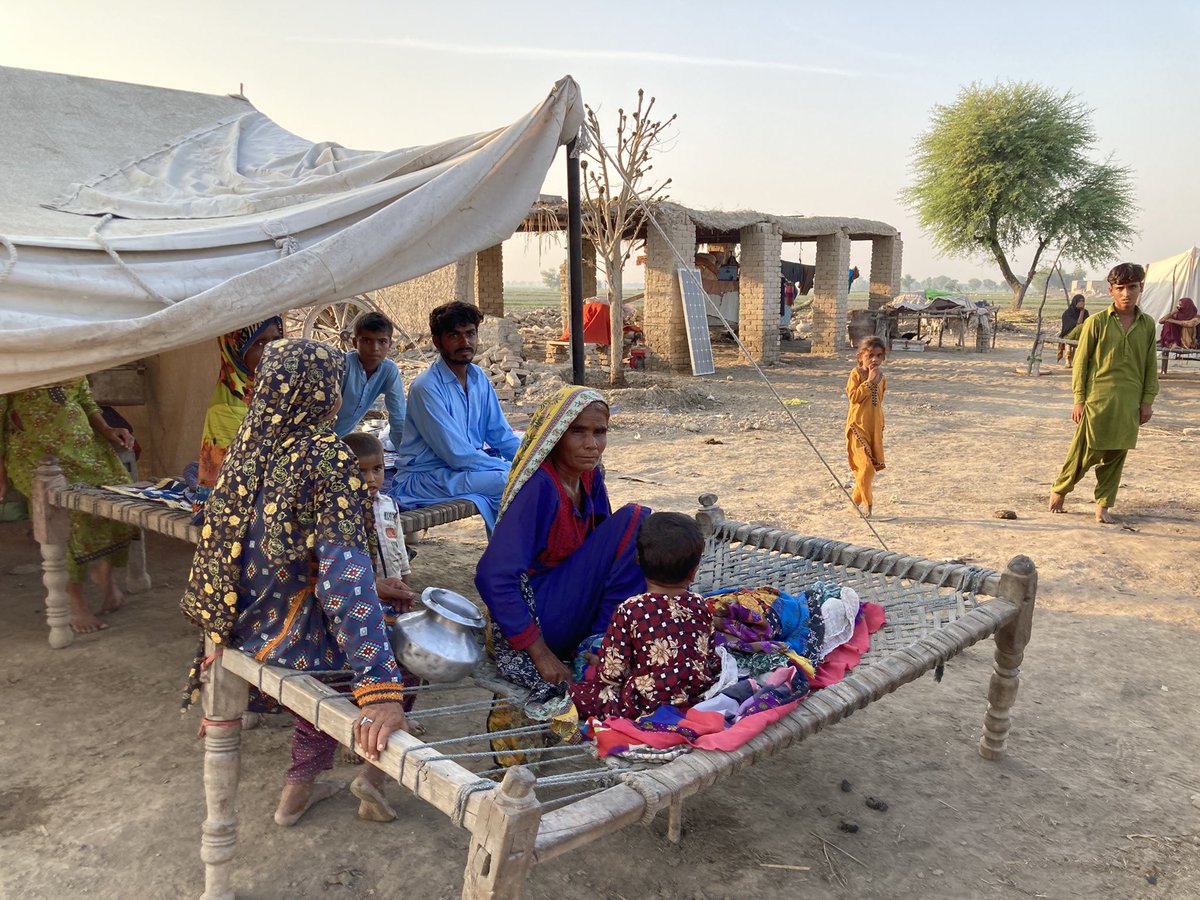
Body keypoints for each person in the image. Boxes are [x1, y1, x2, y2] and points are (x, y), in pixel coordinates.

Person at [180, 338, 410, 827]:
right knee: (402, 650)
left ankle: (304, 790)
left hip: (238, 629)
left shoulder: (249, 447)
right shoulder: (326, 457)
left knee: (361, 624)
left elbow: (228, 555)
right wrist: (380, 689)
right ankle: (367, 775)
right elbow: (343, 580)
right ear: (327, 394)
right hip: (286, 639)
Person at [475, 385, 650, 691]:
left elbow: (608, 557)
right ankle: (602, 643)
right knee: (636, 518)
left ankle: (603, 639)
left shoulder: (589, 476)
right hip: (540, 619)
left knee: (642, 540)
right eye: (577, 432)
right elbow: (492, 576)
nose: (591, 444)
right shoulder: (540, 487)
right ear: (555, 437)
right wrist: (541, 655)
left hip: (570, 603)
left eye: (599, 432)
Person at [0, 378, 137, 633]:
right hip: (36, 454)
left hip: (84, 448)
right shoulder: (16, 361)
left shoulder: (65, 348)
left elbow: (85, 399)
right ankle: (76, 605)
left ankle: (106, 578)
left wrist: (107, 429)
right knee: (67, 512)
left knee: (121, 497)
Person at [569, 512, 719, 721]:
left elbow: (612, 675)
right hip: (695, 696)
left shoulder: (630, 609)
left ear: (638, 560)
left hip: (644, 703)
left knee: (579, 692)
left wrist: (598, 665)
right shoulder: (701, 604)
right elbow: (711, 660)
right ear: (693, 572)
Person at [390, 302, 520, 531]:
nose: (465, 343)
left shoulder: (478, 378)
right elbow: (457, 455)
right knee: (508, 481)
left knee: (531, 475)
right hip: (423, 479)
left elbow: (501, 436)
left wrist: (533, 459)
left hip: (461, 472)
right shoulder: (426, 387)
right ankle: (508, 561)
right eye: (454, 335)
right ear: (437, 341)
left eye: (470, 334)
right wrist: (511, 469)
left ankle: (518, 560)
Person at [1049, 263, 1159, 524]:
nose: (1126, 294)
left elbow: (1149, 365)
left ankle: (1103, 506)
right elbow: (1082, 362)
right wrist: (1079, 399)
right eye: (1120, 288)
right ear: (1111, 290)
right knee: (1084, 452)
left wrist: (1147, 401)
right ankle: (1060, 490)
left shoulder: (1147, 324)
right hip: (1097, 400)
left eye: (1132, 287)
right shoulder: (1096, 322)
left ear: (1140, 288)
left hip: (1129, 402)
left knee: (1116, 454)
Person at [194, 317, 283, 520]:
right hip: (239, 507)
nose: (272, 351)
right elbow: (235, 484)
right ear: (237, 351)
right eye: (259, 343)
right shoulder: (226, 408)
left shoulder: (282, 390)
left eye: (276, 341)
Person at [333, 312, 407, 451]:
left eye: (382, 341)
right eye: (367, 341)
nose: (374, 348)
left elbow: (398, 415)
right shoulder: (342, 366)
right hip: (317, 439)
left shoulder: (389, 370)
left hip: (341, 441)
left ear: (390, 344)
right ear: (355, 342)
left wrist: (404, 453)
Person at [845, 336, 887, 517]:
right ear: (860, 357)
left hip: (874, 428)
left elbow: (878, 402)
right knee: (866, 467)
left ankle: (854, 503)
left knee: (867, 470)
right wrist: (869, 381)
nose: (874, 360)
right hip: (857, 427)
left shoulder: (882, 378)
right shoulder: (856, 375)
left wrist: (881, 425)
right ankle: (868, 504)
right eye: (870, 356)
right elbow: (854, 397)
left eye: (879, 356)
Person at [1057, 294, 1089, 365]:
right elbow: (1078, 323)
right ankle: (1069, 359)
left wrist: (1083, 311)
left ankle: (1076, 361)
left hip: (1080, 336)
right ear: (1075, 302)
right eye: (1079, 301)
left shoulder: (1086, 312)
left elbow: (1087, 324)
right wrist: (1081, 311)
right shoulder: (1068, 313)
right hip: (1068, 335)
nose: (1081, 303)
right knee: (1080, 326)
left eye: (1083, 301)